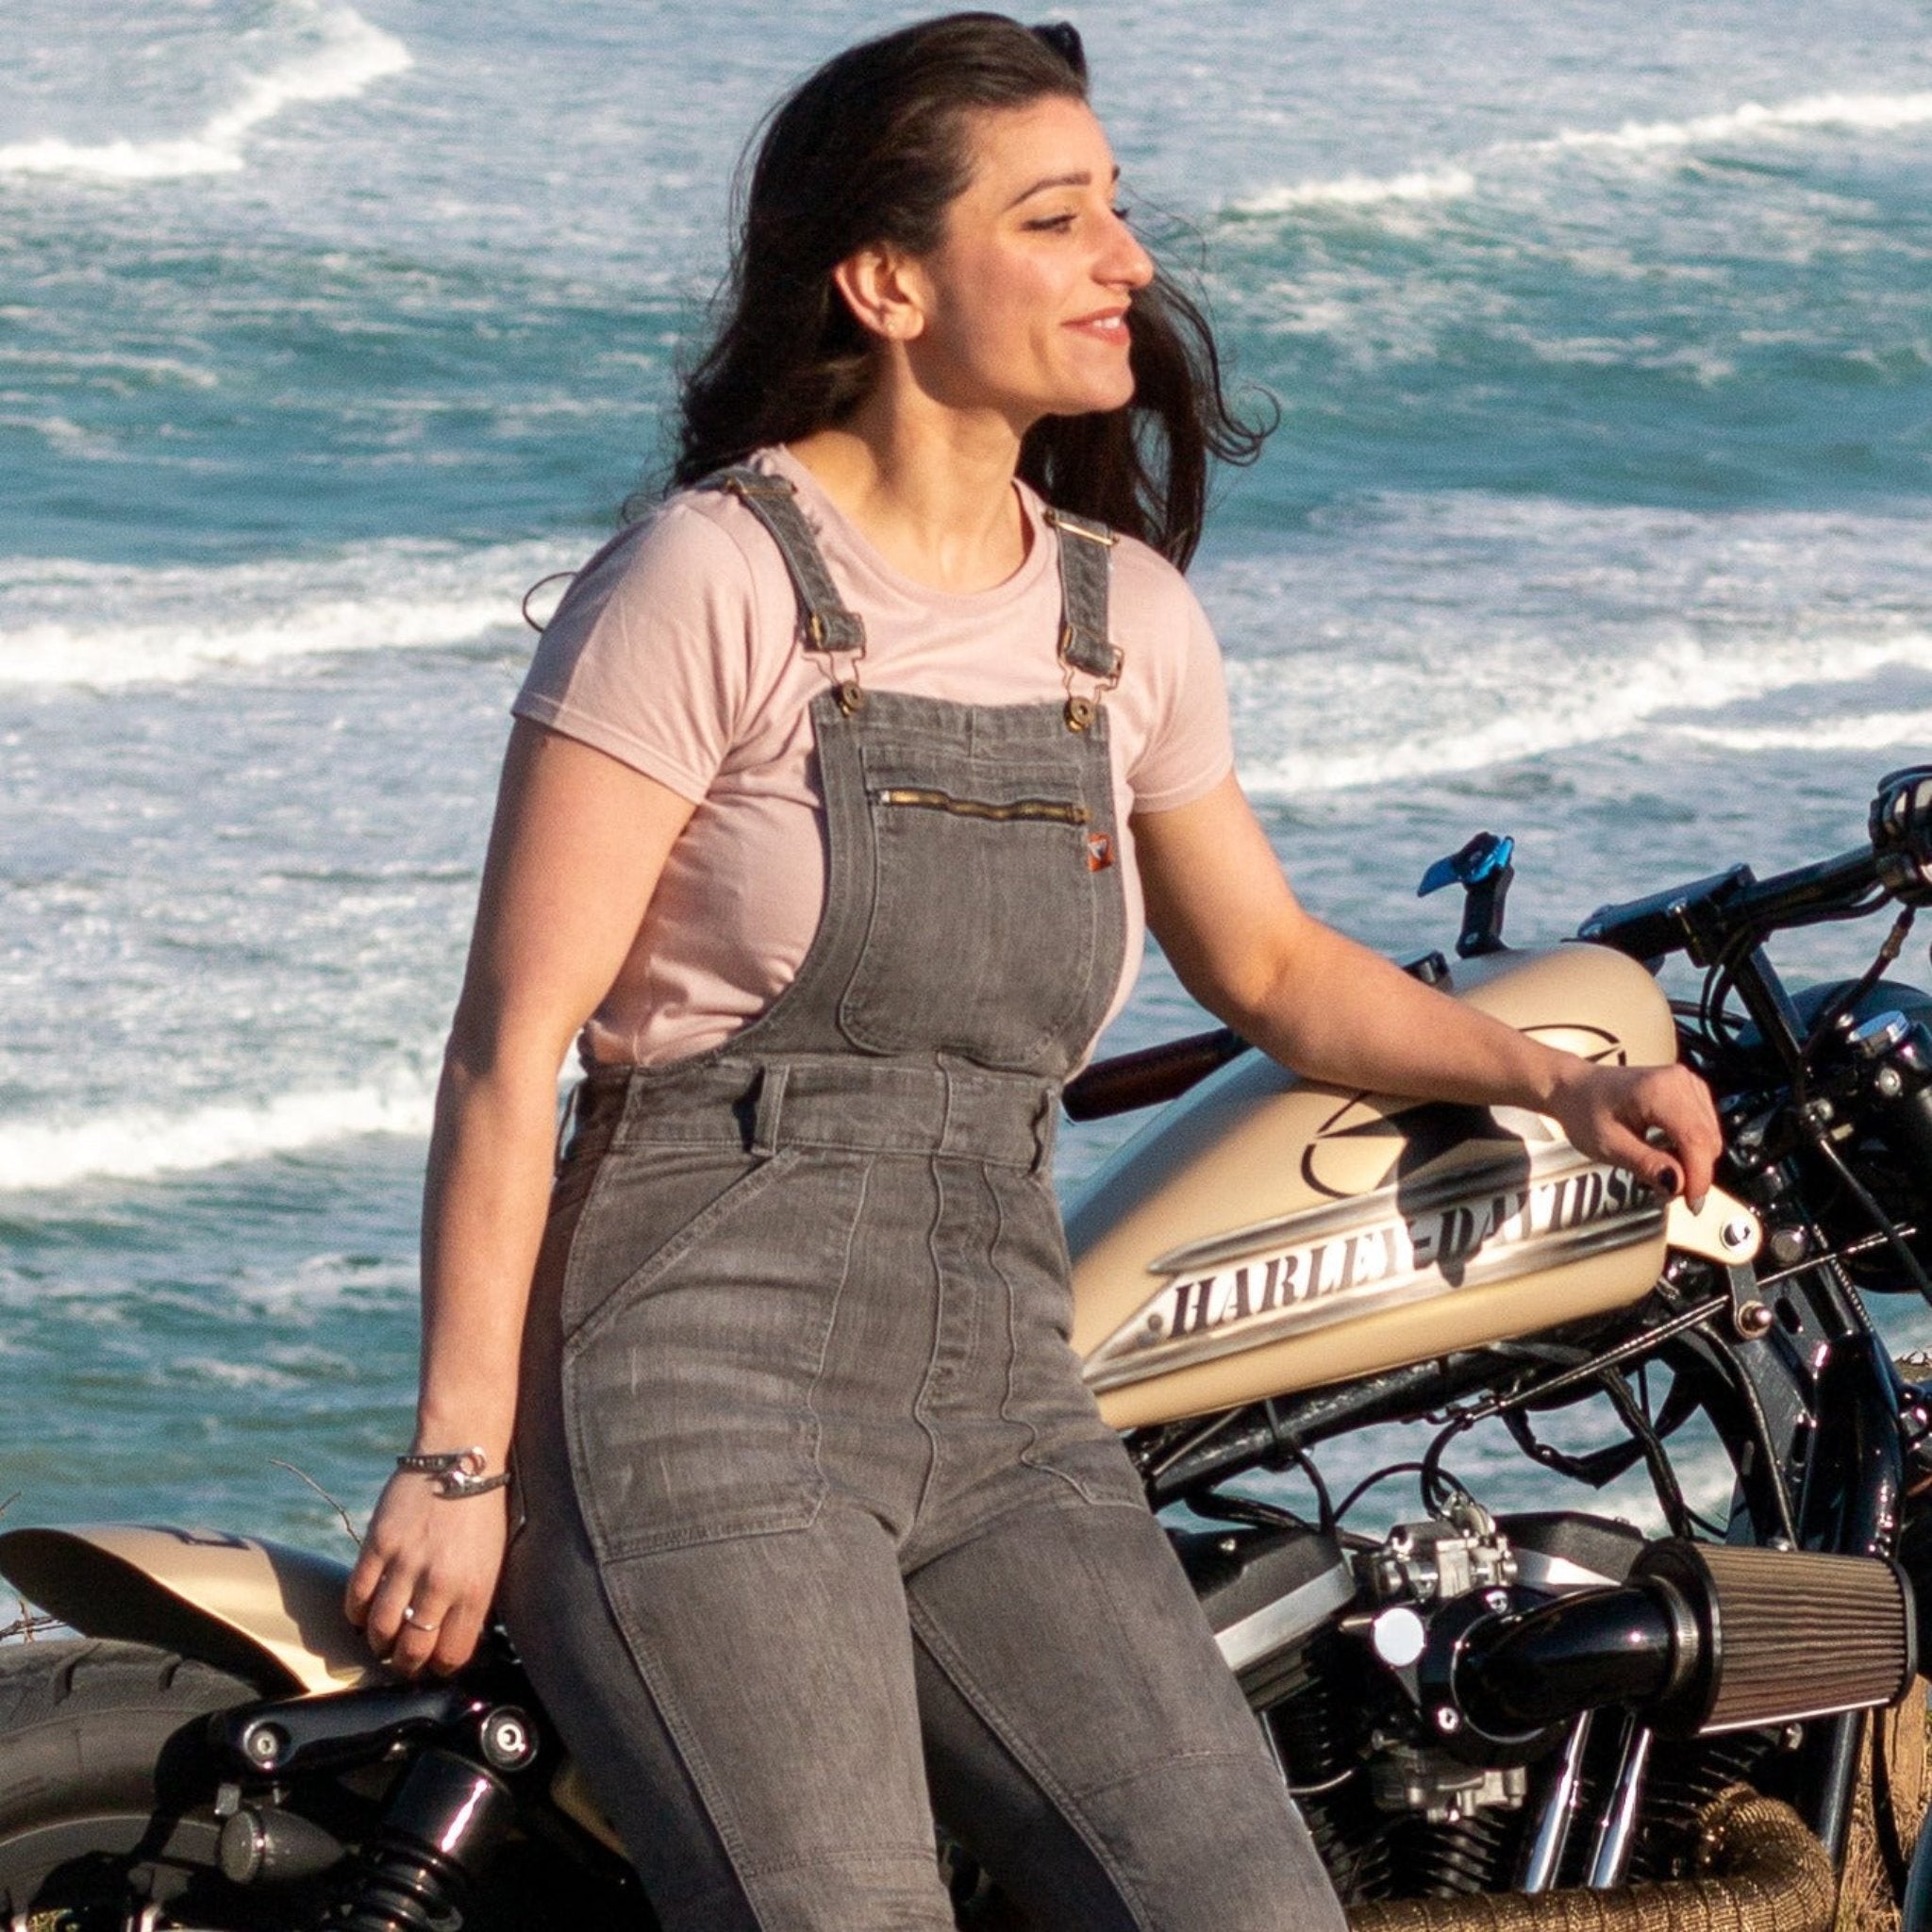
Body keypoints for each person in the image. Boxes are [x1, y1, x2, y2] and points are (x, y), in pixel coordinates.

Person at [343, 14, 1723, 1930]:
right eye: (1059, 219)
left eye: (1119, 214)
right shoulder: (710, 583)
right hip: (697, 1368)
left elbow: (1272, 966)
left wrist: (1552, 1076)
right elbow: (509, 1054)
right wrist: (459, 1456)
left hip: (1002, 1371)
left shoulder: (1118, 622)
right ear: (888, 282)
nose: (1128, 264)